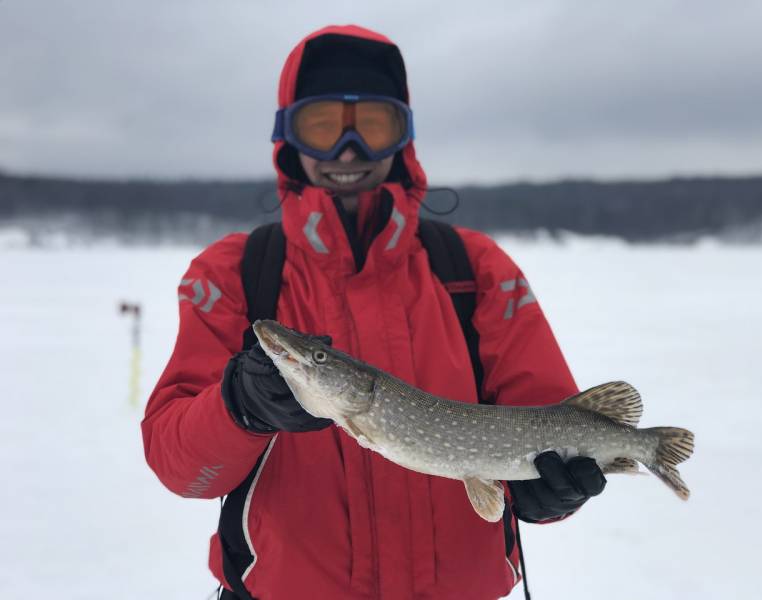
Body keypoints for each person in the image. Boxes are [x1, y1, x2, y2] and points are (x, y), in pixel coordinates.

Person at [142, 24, 606, 600]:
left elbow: (552, 429)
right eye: (322, 126)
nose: (348, 152)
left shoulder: (477, 269)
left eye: (373, 127)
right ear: (288, 137)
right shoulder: (234, 273)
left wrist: (553, 495)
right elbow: (178, 467)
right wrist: (238, 407)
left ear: (402, 137)